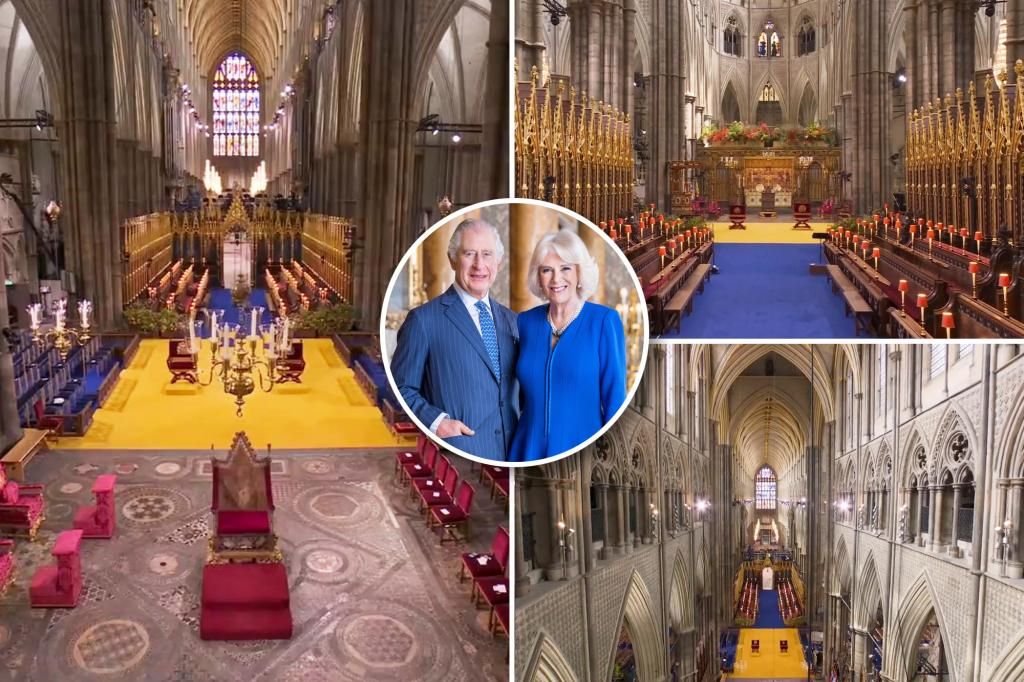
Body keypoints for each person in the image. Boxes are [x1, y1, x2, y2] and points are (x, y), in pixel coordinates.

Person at [391, 218, 519, 460]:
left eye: (487, 254)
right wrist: (437, 422)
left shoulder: (513, 321)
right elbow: (401, 387)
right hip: (462, 456)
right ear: (452, 259)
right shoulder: (424, 320)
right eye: (469, 254)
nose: (479, 265)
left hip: (514, 455)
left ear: (499, 263)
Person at [509, 230, 626, 462]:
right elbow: (517, 395)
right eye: (546, 270)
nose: (556, 279)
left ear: (579, 272)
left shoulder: (603, 322)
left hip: (582, 451)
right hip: (526, 449)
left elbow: (615, 401)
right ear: (538, 277)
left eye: (565, 268)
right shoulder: (525, 322)